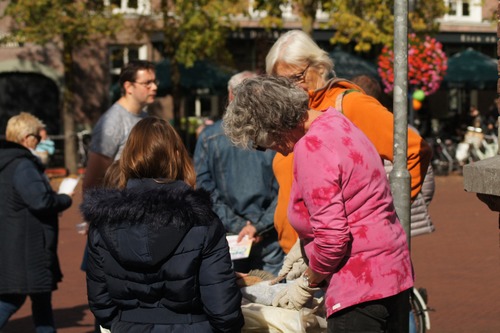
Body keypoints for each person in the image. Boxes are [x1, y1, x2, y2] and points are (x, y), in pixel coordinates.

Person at [223, 75, 413, 332]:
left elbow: (333, 240)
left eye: (261, 142)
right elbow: (357, 205)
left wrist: (307, 282)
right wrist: (304, 249)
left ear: (273, 123)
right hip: (393, 273)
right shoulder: (336, 121)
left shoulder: (311, 146)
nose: (272, 150)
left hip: (359, 286)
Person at [265, 30, 432, 254]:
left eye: (296, 78)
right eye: (280, 83)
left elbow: (414, 149)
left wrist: (384, 215)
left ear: (320, 66)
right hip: (296, 258)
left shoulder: (350, 104)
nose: (290, 89)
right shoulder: (292, 114)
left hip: (342, 256)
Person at [81, 117, 244, 332]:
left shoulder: (104, 221)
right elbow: (222, 308)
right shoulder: (202, 219)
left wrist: (125, 323)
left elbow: (101, 302)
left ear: (128, 158)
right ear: (177, 156)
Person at [194, 71, 285, 276]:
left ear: (230, 96)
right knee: (275, 298)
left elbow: (203, 190)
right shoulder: (278, 137)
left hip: (232, 237)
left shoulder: (209, 138)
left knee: (235, 298)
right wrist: (257, 226)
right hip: (267, 235)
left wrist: (242, 226)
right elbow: (285, 189)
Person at [0, 112, 73, 333]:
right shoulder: (23, 165)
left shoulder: (7, 162)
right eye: (38, 138)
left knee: (41, 302)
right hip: (28, 246)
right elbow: (40, 201)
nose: (42, 142)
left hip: (17, 240)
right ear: (27, 138)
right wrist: (64, 198)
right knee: (13, 300)